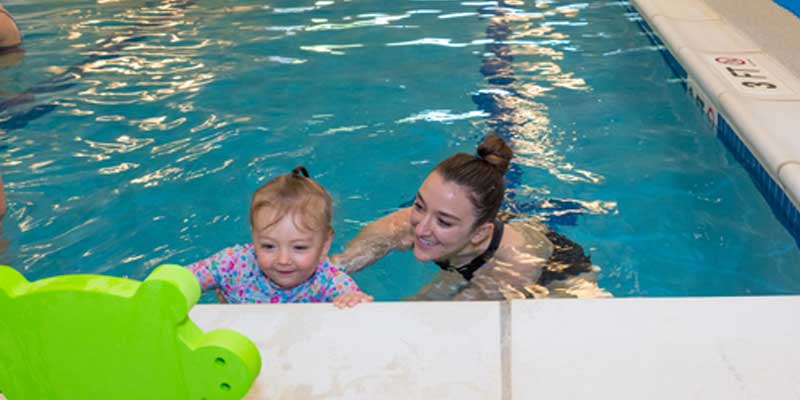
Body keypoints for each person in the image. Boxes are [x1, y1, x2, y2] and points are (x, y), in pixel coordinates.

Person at [331, 134, 610, 300]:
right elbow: (334, 267)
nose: (421, 228)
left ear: (479, 233)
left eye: (443, 221)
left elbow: (444, 320)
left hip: (553, 274)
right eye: (420, 205)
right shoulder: (414, 222)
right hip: (474, 247)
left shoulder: (514, 264)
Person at [186, 166, 373, 308]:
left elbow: (357, 306)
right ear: (254, 237)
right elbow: (181, 279)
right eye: (268, 246)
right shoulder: (233, 264)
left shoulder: (328, 281)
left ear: (325, 244)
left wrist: (352, 299)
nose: (283, 260)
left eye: (299, 247)